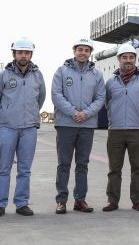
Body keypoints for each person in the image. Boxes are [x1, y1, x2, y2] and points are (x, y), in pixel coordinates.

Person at [0, 38, 46, 217]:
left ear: (31, 55)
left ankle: (22, 203)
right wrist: (5, 116)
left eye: (27, 52)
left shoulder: (37, 75)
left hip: (29, 128)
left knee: (25, 169)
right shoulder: (4, 76)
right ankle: (0, 204)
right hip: (8, 127)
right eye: (20, 52)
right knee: (4, 167)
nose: (23, 55)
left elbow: (41, 98)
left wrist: (31, 114)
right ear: (14, 54)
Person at [52, 38, 106, 214]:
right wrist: (74, 112)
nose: (83, 52)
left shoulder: (97, 75)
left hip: (87, 125)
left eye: (86, 50)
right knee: (64, 164)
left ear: (90, 53)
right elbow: (56, 95)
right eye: (80, 49)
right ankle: (61, 200)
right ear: (74, 51)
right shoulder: (61, 71)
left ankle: (80, 199)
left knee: (82, 164)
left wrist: (86, 113)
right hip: (66, 124)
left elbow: (100, 98)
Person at [103, 43, 139, 212]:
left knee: (138, 168)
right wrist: (113, 118)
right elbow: (106, 102)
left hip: (137, 131)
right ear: (119, 59)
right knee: (114, 169)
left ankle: (138, 200)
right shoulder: (110, 82)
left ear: (135, 59)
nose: (128, 60)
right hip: (116, 131)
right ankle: (112, 200)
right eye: (125, 57)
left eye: (131, 57)